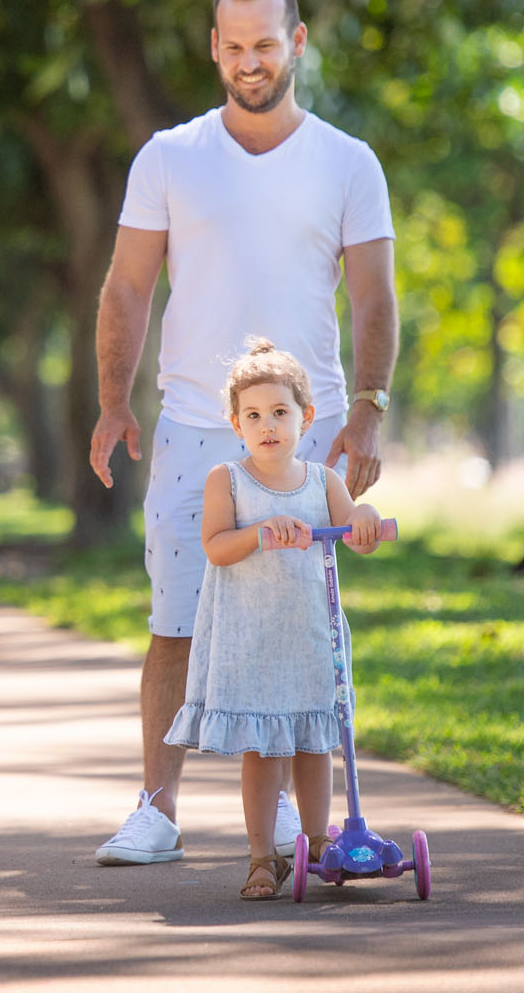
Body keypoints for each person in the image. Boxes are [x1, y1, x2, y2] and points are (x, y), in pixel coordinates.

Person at [89, 0, 397, 867]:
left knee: (305, 627)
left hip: (309, 436)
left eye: (266, 44)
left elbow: (376, 298)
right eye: (234, 45)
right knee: (176, 621)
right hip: (194, 427)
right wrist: (114, 400)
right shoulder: (169, 158)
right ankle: (157, 808)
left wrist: (369, 410)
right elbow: (128, 286)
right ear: (213, 48)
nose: (250, 60)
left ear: (296, 43)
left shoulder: (348, 162)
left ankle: (306, 822)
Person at [164, 339, 384, 898]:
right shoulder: (228, 481)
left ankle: (317, 844)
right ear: (236, 424)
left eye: (280, 413)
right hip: (253, 638)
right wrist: (261, 534)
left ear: (305, 417)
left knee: (314, 745)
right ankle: (263, 856)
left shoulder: (322, 481)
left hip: (312, 635)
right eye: (254, 415)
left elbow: (355, 532)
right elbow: (215, 546)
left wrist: (365, 519)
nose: (267, 426)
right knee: (264, 752)